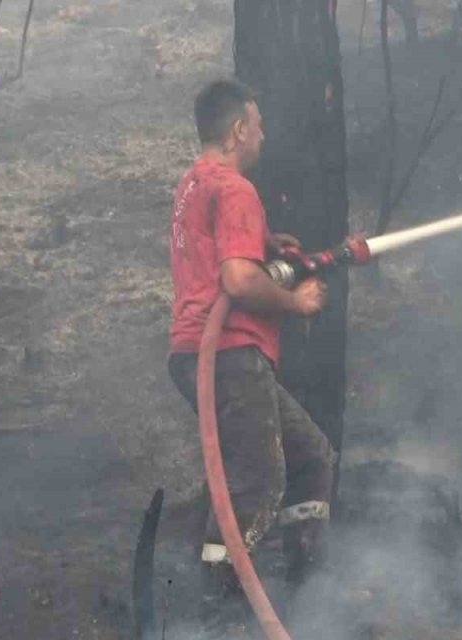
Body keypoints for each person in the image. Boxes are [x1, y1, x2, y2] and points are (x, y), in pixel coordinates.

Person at [165, 79, 336, 603]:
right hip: (229, 355)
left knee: (310, 456)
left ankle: (305, 597)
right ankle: (218, 612)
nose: (263, 135)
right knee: (258, 485)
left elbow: (217, 250)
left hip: (202, 356)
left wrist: (261, 242)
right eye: (258, 126)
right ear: (239, 129)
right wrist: (296, 303)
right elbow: (238, 281)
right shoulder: (236, 188)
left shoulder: (196, 183)